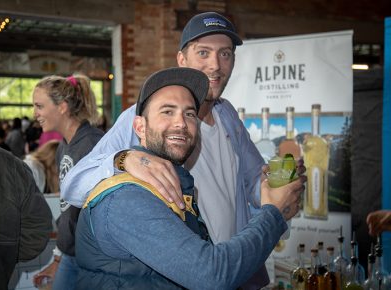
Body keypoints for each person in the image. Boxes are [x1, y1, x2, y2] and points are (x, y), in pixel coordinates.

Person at [61, 12, 303, 288]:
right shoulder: (141, 118)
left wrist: (282, 184)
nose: (215, 65)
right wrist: (125, 158)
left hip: (239, 263)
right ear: (181, 59)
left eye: (225, 54)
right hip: (192, 269)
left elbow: (252, 182)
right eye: (203, 52)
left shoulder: (227, 115)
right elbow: (73, 185)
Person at [31, 74, 104, 290]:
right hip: (72, 254)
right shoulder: (64, 146)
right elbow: (68, 210)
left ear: (62, 107)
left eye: (39, 106)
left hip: (91, 258)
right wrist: (57, 259)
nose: (35, 114)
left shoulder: (92, 144)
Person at [0, 144, 52, 290]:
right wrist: (3, 257)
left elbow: (37, 228)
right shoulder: (9, 163)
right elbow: (37, 229)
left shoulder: (9, 164)